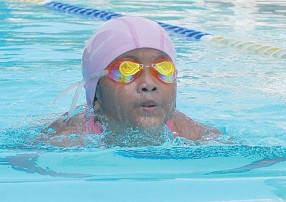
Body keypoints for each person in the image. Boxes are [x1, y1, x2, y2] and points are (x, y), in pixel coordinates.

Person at [42, 16, 221, 147]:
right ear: (96, 91)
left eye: (163, 69)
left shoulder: (181, 126)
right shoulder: (70, 136)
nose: (149, 83)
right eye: (126, 70)